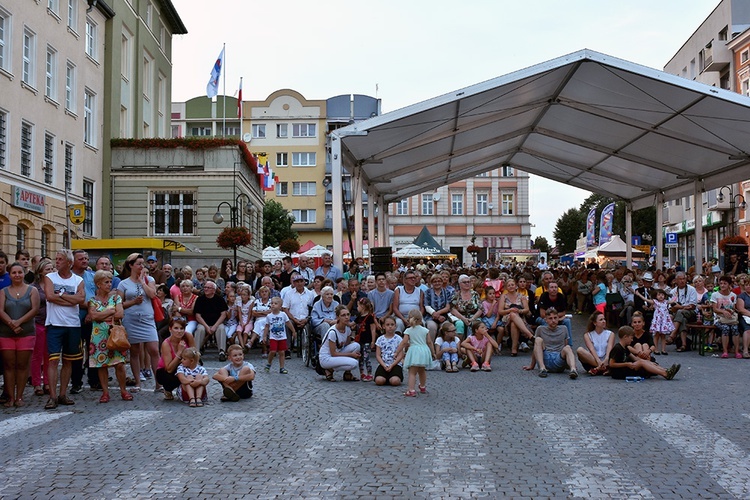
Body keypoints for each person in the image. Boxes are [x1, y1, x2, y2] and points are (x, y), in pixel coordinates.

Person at [43, 250, 85, 409]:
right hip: (55, 324)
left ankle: (62, 394)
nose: (57, 262)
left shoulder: (78, 280)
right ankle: (52, 396)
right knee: (53, 360)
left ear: (69, 263)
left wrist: (60, 295)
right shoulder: (49, 278)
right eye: (56, 259)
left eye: (60, 259)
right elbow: (50, 296)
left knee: (68, 361)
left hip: (73, 325)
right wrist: (70, 299)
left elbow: (81, 299)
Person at [117, 253, 161, 393]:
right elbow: (119, 304)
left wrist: (143, 281)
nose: (142, 266)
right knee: (134, 351)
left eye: (143, 263)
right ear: (131, 265)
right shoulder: (123, 283)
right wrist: (133, 302)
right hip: (131, 319)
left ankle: (158, 383)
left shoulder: (150, 279)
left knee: (154, 349)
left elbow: (153, 294)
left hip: (147, 319)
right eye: (139, 264)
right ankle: (137, 382)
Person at [0, 262, 40, 406]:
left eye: (19, 272)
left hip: (26, 332)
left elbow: (34, 309)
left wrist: (18, 322)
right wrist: (11, 323)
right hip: (6, 333)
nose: (17, 275)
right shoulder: (3, 291)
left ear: (24, 273)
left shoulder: (32, 290)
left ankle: (20, 397)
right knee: (9, 365)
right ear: (9, 275)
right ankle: (10, 397)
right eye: (14, 273)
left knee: (23, 365)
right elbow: (0, 310)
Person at [87, 270, 130, 403]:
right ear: (98, 284)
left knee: (119, 364)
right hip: (99, 337)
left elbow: (120, 314)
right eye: (106, 282)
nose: (109, 284)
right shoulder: (92, 300)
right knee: (102, 364)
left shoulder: (116, 298)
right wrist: (110, 311)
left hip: (114, 334)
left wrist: (103, 314)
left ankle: (123, 390)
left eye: (110, 281)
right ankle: (105, 392)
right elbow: (93, 316)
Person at [523, 307, 578, 379]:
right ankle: (542, 369)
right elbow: (536, 348)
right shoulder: (540, 329)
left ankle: (573, 370)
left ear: (558, 318)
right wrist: (532, 365)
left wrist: (569, 364)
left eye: (555, 318)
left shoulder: (564, 328)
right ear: (546, 320)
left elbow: (566, 346)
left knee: (567, 347)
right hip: (545, 357)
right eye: (550, 318)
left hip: (558, 358)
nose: (553, 320)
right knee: (538, 340)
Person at [608, 326, 681, 380]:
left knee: (642, 361)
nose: (632, 340)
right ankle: (665, 373)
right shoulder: (617, 348)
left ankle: (665, 370)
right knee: (641, 363)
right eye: (631, 338)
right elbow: (611, 364)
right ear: (625, 337)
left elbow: (635, 358)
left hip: (625, 368)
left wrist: (649, 362)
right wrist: (627, 364)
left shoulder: (625, 348)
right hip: (618, 372)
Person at [155, 318, 196, 400]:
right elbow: (169, 369)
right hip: (167, 371)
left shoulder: (188, 336)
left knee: (198, 373)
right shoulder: (166, 344)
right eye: (176, 328)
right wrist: (180, 352)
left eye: (182, 328)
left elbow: (195, 356)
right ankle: (168, 389)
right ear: (170, 329)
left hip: (185, 366)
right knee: (170, 375)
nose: (179, 331)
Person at [30, 258, 54, 397]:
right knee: (37, 355)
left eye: (52, 269)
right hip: (38, 322)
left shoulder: (54, 285)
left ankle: (47, 382)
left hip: (51, 323)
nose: (50, 272)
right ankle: (36, 383)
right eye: (47, 269)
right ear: (40, 272)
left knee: (49, 355)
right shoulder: (34, 287)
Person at [318, 305, 361, 381]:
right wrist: (351, 355)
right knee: (354, 363)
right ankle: (329, 369)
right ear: (338, 317)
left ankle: (347, 374)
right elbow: (333, 353)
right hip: (326, 358)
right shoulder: (333, 332)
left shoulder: (347, 329)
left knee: (356, 346)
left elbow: (347, 345)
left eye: (348, 314)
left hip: (337, 353)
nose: (347, 317)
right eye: (343, 315)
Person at [397, 308, 433, 397]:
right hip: (424, 350)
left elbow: (404, 342)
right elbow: (429, 342)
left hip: (414, 351)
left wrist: (397, 351)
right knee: (422, 370)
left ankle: (411, 390)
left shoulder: (409, 330)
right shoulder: (425, 330)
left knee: (412, 372)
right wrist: (433, 352)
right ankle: (423, 386)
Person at [497, 278, 534, 356]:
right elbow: (500, 311)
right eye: (509, 285)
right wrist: (510, 310)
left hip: (520, 318)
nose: (511, 287)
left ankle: (514, 350)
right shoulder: (503, 297)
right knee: (512, 314)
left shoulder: (522, 296)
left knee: (514, 323)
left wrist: (519, 311)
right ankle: (529, 334)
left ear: (516, 286)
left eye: (512, 285)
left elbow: (527, 309)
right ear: (506, 287)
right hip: (506, 318)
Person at [193, 280, 229, 360]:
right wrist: (206, 327)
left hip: (217, 322)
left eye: (208, 288)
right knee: (200, 329)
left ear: (213, 290)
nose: (205, 289)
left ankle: (222, 352)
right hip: (203, 323)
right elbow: (198, 316)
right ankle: (196, 352)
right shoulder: (200, 299)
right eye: (205, 287)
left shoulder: (219, 299)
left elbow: (223, 314)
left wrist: (215, 326)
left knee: (221, 328)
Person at [282, 273, 315, 359]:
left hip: (306, 318)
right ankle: (287, 349)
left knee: (312, 325)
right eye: (297, 282)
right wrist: (294, 319)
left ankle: (310, 349)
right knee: (287, 325)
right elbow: (285, 308)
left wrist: (306, 319)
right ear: (294, 283)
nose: (299, 283)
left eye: (301, 281)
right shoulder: (289, 293)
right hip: (293, 318)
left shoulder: (310, 294)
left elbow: (313, 309)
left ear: (304, 282)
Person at [666, 271, 698, 351]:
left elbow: (692, 306)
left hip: (691, 314)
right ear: (676, 281)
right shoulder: (673, 291)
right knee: (682, 319)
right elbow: (672, 307)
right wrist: (683, 307)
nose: (682, 281)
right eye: (680, 279)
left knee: (680, 312)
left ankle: (672, 335)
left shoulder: (692, 289)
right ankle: (683, 345)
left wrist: (679, 307)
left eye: (683, 279)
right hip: (679, 315)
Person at [712, 275, 741, 358]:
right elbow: (715, 309)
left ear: (729, 285)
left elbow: (734, 308)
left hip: (730, 318)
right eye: (721, 283)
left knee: (735, 328)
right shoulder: (715, 295)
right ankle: (725, 351)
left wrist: (731, 311)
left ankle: (736, 351)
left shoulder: (733, 295)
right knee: (726, 328)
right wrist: (723, 311)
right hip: (719, 318)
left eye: (725, 283)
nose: (722, 285)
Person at [576, 311, 615, 375]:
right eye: (601, 320)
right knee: (579, 350)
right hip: (593, 360)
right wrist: (598, 361)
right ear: (595, 323)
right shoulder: (588, 335)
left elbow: (609, 348)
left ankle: (597, 369)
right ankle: (602, 368)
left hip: (606, 360)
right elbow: (591, 349)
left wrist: (606, 359)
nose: (603, 321)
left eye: (604, 319)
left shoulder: (610, 334)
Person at [263, 297, 293, 374]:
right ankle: (269, 363)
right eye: (272, 303)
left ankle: (282, 367)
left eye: (275, 303)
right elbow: (267, 326)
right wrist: (264, 336)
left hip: (282, 337)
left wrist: (293, 331)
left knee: (282, 352)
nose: (273, 305)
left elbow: (288, 323)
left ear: (280, 306)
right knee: (272, 351)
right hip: (273, 337)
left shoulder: (283, 315)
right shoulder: (269, 316)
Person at [639, 288, 673, 356]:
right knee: (656, 335)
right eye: (659, 295)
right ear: (656, 296)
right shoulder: (655, 302)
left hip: (664, 321)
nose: (661, 296)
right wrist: (639, 295)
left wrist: (676, 295)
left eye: (662, 295)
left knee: (663, 336)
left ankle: (663, 349)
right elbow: (646, 300)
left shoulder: (666, 302)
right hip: (657, 321)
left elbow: (672, 301)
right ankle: (656, 349)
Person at [374, 316, 404, 386]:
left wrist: (392, 365)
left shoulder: (399, 339)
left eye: (392, 324)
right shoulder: (380, 339)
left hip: (395, 364)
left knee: (395, 381)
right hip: (383, 364)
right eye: (387, 325)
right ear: (383, 326)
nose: (390, 327)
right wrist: (384, 365)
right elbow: (378, 355)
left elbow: (400, 355)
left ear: (395, 326)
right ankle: (385, 377)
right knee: (379, 381)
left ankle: (392, 377)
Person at [449, 274, 481, 338]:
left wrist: (472, 318)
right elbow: (452, 309)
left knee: (475, 324)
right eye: (464, 282)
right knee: (459, 324)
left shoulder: (475, 294)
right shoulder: (456, 295)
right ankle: (459, 344)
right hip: (460, 316)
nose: (467, 284)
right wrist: (463, 319)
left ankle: (471, 344)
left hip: (473, 316)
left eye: (468, 282)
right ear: (460, 284)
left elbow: (481, 309)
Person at [355, 297, 377, 381]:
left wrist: (373, 341)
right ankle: (362, 373)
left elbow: (373, 329)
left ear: (362, 307)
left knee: (366, 357)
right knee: (360, 357)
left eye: (358, 306)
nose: (357, 308)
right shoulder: (359, 317)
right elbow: (353, 324)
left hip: (367, 340)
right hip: (360, 340)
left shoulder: (369, 317)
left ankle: (369, 373)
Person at [235, 286, 254, 350]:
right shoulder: (239, 302)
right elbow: (239, 313)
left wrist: (247, 322)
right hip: (242, 320)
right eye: (241, 295)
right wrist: (241, 322)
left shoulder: (251, 302)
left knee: (245, 332)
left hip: (249, 321)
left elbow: (250, 313)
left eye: (244, 295)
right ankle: (242, 347)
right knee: (238, 331)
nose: (242, 296)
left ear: (248, 296)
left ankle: (243, 345)